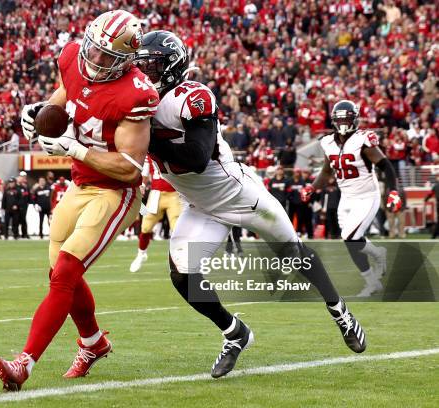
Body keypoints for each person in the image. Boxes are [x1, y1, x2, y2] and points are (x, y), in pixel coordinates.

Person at [136, 31, 366, 379]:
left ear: (171, 67)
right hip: (199, 205)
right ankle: (235, 333)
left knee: (293, 252)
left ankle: (339, 310)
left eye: (151, 65)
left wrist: (147, 135)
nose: (143, 72)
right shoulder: (138, 100)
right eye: (141, 65)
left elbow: (197, 158)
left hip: (239, 194)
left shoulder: (191, 96)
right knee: (182, 276)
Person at [0, 10, 158, 391]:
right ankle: (94, 343)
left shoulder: (137, 94)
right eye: (93, 50)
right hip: (79, 185)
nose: (95, 61)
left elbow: (131, 168)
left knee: (65, 272)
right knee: (59, 274)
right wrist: (38, 114)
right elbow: (64, 99)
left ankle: (23, 365)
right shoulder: (71, 58)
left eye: (107, 57)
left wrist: (76, 149)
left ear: (126, 59)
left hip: (115, 193)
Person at [303, 100, 400, 297]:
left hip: (367, 196)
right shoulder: (327, 142)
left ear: (354, 119)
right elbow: (326, 171)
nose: (344, 122)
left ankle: (378, 255)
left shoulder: (363, 140)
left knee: (350, 236)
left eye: (347, 118)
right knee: (350, 241)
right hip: (346, 198)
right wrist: (312, 187)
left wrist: (393, 191)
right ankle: (372, 281)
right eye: (340, 119)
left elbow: (386, 166)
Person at [130, 156, 181, 272]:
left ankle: (177, 259)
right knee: (146, 227)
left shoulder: (174, 149)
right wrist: (142, 186)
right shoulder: (150, 153)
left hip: (174, 194)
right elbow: (145, 173)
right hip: (156, 194)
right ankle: (141, 254)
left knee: (177, 229)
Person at [424, 174, 439, 239]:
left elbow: (430, 194)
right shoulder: (435, 186)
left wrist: (425, 199)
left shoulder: (435, 186)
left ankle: (434, 235)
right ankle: (434, 235)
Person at [17, 171, 31, 239]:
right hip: (18, 205)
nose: (23, 178)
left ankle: (24, 233)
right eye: (22, 176)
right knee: (17, 220)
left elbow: (28, 195)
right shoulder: (17, 185)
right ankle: (17, 233)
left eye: (24, 176)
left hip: (25, 205)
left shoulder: (26, 186)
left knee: (23, 220)